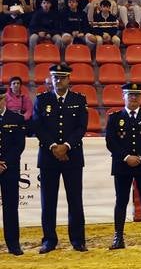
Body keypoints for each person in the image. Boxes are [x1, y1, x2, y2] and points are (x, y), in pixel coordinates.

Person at [32, 63, 88, 252]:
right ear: (51, 79)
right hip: (49, 156)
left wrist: (66, 146)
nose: (58, 81)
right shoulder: (42, 99)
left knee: (75, 200)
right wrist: (54, 147)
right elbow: (37, 126)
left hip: (72, 156)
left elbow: (81, 127)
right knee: (48, 201)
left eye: (62, 77)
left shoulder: (79, 100)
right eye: (55, 77)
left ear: (68, 79)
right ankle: (49, 240)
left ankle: (78, 240)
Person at [105, 83, 141, 249]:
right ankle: (118, 237)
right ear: (124, 96)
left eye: (136, 95)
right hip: (122, 164)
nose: (133, 98)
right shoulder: (114, 118)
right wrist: (127, 157)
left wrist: (140, 157)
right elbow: (111, 142)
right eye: (130, 95)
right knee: (121, 200)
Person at [0, 85, 27, 255]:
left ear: (4, 99)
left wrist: (4, 163)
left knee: (10, 207)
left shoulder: (16, 119)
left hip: (9, 168)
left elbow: (19, 145)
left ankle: (13, 244)